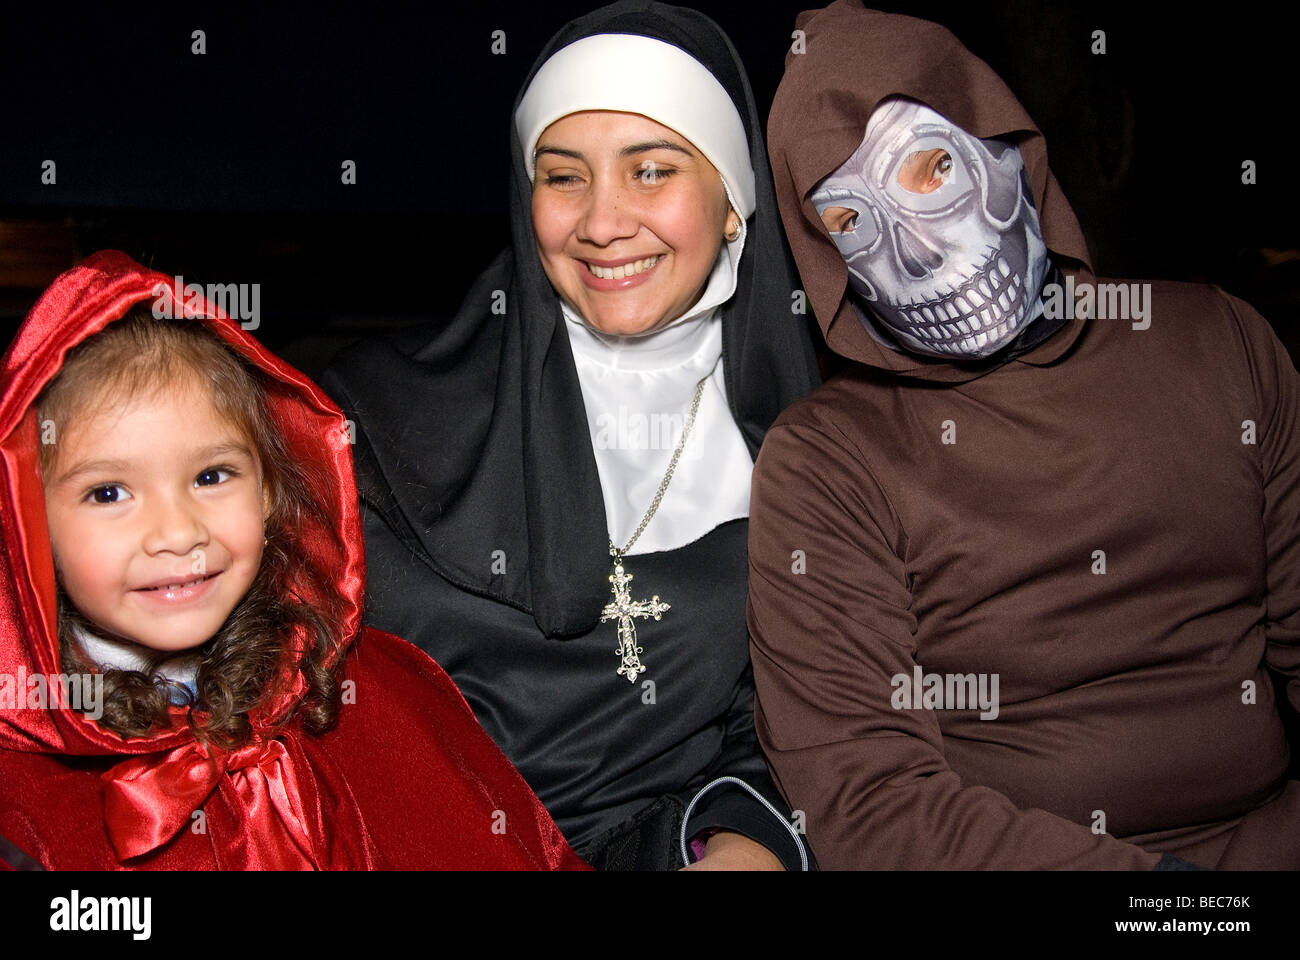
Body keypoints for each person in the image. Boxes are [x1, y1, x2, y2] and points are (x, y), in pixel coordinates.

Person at [748, 0, 1300, 869]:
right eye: (850, 220)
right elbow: (867, 799)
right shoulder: (827, 459)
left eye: (932, 169)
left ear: (1008, 148)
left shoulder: (1220, 341)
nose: (919, 253)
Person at [322, 0, 819, 870]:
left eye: (652, 170)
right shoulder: (362, 420)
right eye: (563, 176)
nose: (601, 222)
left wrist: (751, 840)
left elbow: (792, 722)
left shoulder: (807, 452)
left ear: (734, 202)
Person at [0, 250, 588, 870]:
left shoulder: (365, 692)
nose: (176, 532)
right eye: (109, 493)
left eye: (211, 475)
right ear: (27, 524)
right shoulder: (21, 792)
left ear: (269, 491)